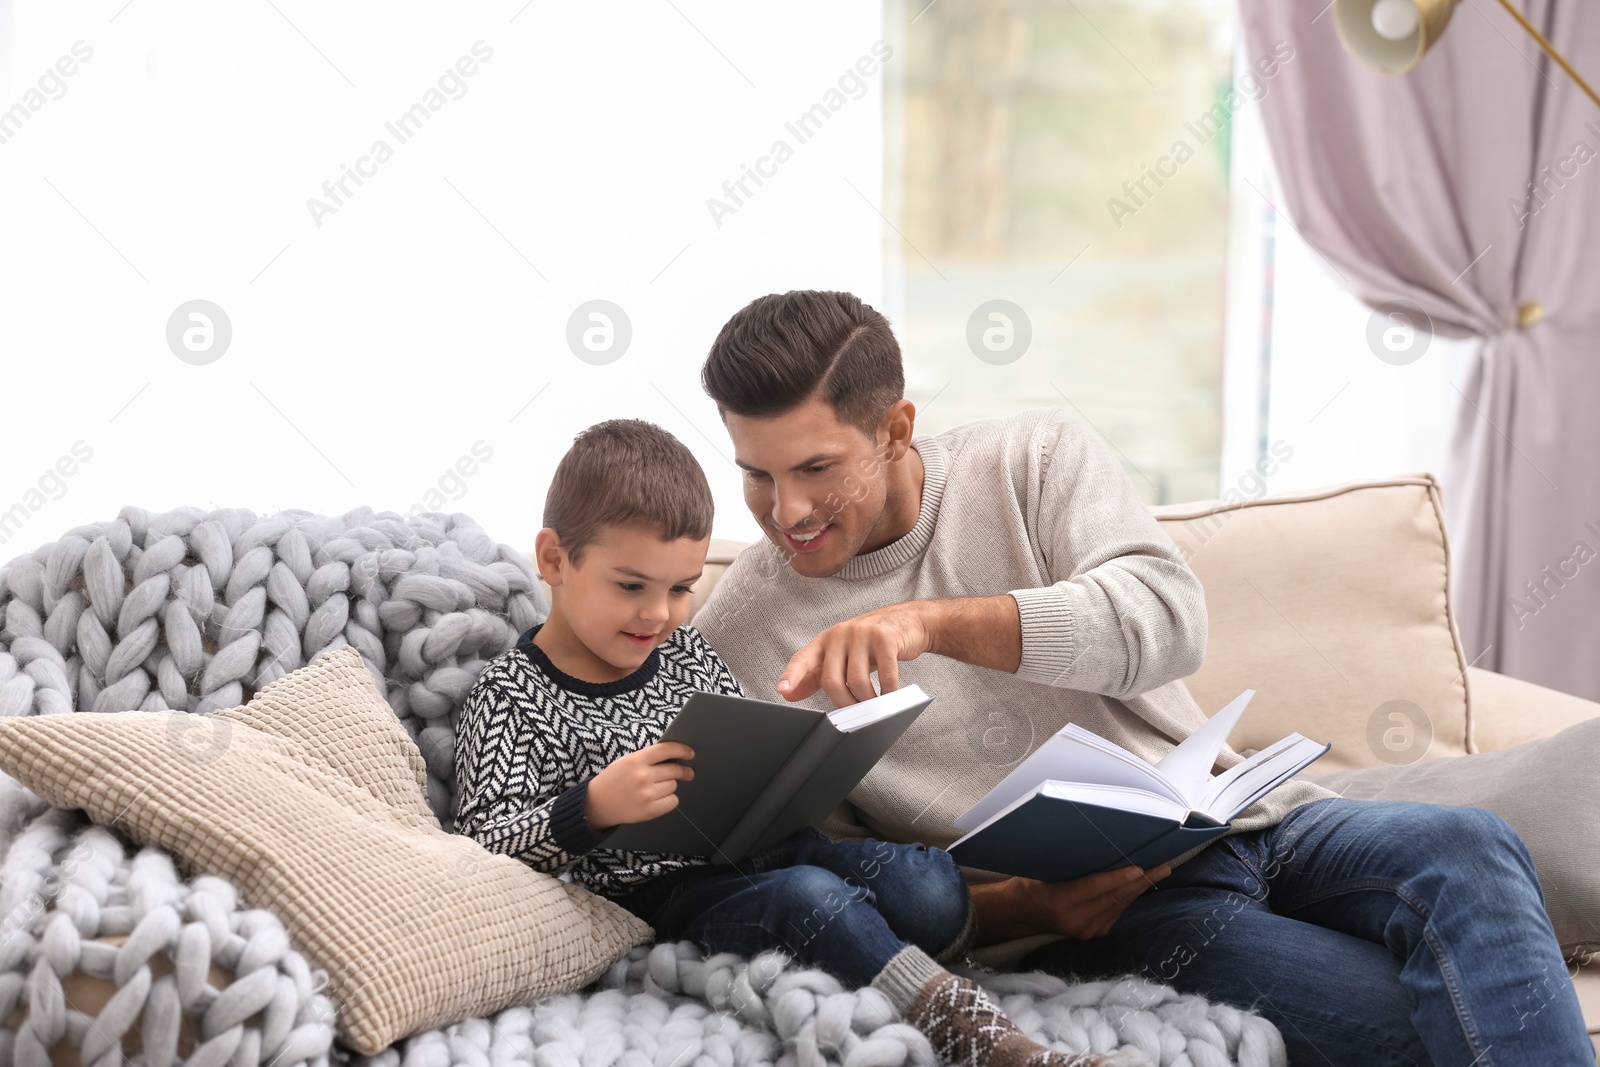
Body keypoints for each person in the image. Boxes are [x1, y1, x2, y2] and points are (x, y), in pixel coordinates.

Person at [689, 289, 1596, 1067]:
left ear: (894, 430)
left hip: (1243, 821)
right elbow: (836, 877)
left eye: (816, 469)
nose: (789, 511)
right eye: (756, 476)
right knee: (1438, 1023)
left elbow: (1165, 619)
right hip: (1120, 916)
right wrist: (1023, 906)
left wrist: (933, 623)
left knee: (1471, 843)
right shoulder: (740, 634)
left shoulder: (1030, 461)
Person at [453, 418, 1150, 1067]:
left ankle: (880, 945)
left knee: (925, 883)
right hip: (663, 896)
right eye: (631, 586)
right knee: (809, 898)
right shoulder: (511, 696)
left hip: (766, 848)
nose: (657, 614)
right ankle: (979, 1036)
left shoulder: (685, 651)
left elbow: (740, 750)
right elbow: (481, 850)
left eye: (680, 588)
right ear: (553, 558)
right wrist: (593, 807)